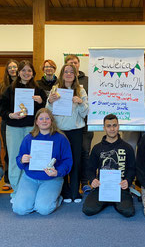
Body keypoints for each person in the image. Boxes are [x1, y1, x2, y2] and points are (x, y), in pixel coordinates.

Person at [0, 60, 47, 198]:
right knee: (15, 158)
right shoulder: (9, 89)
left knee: (32, 158)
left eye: (29, 71)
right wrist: (10, 115)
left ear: (33, 73)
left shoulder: (38, 90)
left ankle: (29, 188)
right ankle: (16, 190)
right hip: (14, 128)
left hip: (32, 128)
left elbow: (45, 111)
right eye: (23, 70)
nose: (26, 73)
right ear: (18, 72)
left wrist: (41, 102)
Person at [12, 108, 73, 215]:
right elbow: (19, 159)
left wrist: (57, 172)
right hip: (30, 178)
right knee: (20, 209)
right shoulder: (28, 138)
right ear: (36, 121)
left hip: (51, 178)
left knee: (44, 209)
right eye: (41, 118)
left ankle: (57, 198)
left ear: (51, 121)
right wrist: (22, 160)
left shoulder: (61, 138)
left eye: (47, 118)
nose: (44, 121)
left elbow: (67, 161)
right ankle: (35, 198)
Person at [46, 63, 88, 203]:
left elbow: (85, 113)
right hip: (60, 131)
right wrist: (50, 102)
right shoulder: (55, 89)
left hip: (76, 130)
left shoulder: (80, 90)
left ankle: (75, 192)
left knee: (76, 161)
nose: (69, 74)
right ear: (62, 74)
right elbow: (48, 112)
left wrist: (81, 102)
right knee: (61, 161)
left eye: (71, 72)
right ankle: (65, 192)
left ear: (75, 75)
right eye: (66, 72)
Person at [82, 114, 136, 217]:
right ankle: (109, 201)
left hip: (121, 188)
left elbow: (132, 169)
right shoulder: (97, 148)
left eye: (114, 125)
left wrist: (128, 181)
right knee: (88, 210)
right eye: (108, 126)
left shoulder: (127, 148)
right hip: (102, 187)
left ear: (118, 126)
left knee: (128, 212)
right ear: (104, 128)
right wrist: (92, 180)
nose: (112, 129)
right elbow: (90, 169)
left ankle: (113, 202)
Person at [64, 54, 93, 194]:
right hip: (63, 128)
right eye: (69, 65)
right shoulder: (57, 87)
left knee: (82, 154)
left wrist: (81, 102)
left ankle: (81, 185)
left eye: (75, 63)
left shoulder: (85, 84)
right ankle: (65, 188)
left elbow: (87, 107)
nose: (72, 67)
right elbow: (51, 109)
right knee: (64, 157)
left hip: (81, 126)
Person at [0, 59, 18, 191]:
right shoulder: (2, 86)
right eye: (10, 67)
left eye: (15, 67)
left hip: (24, 123)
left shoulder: (26, 85)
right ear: (7, 70)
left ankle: (22, 177)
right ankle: (8, 180)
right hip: (8, 123)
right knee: (9, 151)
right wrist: (7, 114)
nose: (13, 69)